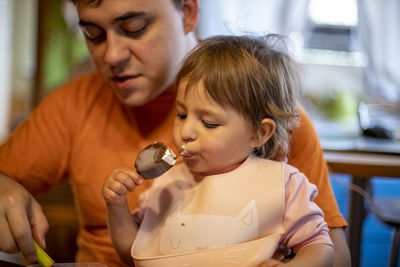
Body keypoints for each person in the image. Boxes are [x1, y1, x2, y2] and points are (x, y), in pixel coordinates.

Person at [0, 0, 350, 266]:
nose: (112, 55)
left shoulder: (266, 109)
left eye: (135, 27)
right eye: (93, 34)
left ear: (187, 12)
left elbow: (333, 254)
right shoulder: (74, 104)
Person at [103, 34, 334, 267]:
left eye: (209, 123)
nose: (186, 131)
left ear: (258, 133)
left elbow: (321, 249)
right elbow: (133, 251)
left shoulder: (284, 185)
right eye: (181, 115)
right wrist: (117, 205)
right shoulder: (168, 186)